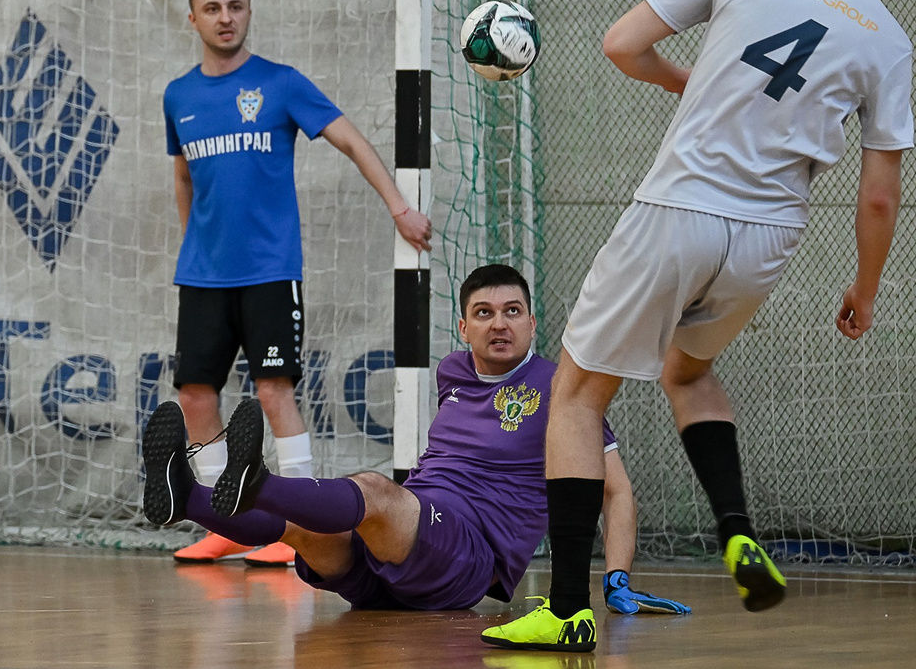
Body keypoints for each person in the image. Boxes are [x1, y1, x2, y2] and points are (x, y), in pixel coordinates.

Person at [486, 0, 910, 651]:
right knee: (687, 373)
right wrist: (865, 287)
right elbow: (880, 195)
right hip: (769, 236)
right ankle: (737, 529)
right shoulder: (887, 38)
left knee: (576, 397)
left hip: (679, 211)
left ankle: (568, 610)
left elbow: (622, 44)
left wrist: (687, 81)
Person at [142, 266, 685, 621]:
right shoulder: (453, 372)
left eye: (512, 311)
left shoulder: (561, 388)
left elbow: (616, 491)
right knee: (301, 528)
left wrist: (616, 578)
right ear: (463, 327)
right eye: (485, 313)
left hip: (468, 555)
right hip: (394, 561)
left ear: (532, 323)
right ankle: (185, 496)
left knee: (374, 491)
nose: (500, 324)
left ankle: (257, 483)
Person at [165, 0, 432, 568]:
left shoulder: (280, 84)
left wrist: (399, 208)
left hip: (269, 272)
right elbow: (183, 176)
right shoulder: (179, 95)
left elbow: (352, 141)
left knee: (273, 391)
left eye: (236, 6)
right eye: (213, 8)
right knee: (196, 396)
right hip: (203, 277)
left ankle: (303, 531)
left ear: (249, 11)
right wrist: (192, 245)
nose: (226, 18)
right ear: (193, 18)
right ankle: (229, 524)